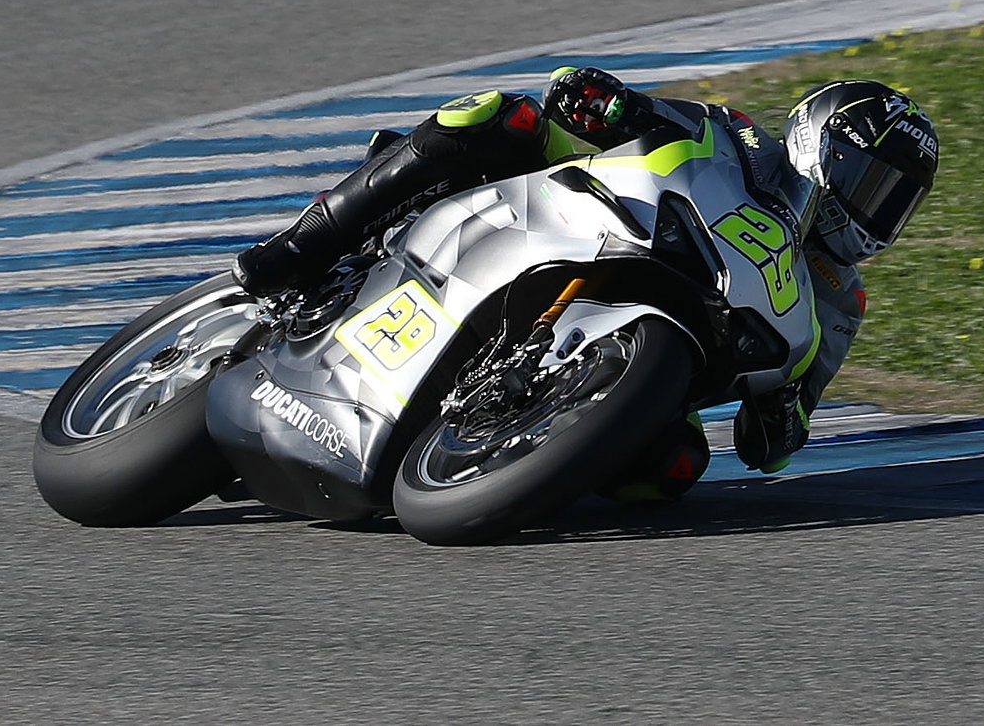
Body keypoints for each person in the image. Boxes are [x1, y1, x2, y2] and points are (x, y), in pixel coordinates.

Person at [233, 66, 939, 496]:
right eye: (869, 183)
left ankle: (503, 460)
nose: (876, 209)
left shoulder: (839, 302)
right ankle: (302, 246)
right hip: (597, 217)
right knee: (499, 117)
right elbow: (645, 115)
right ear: (819, 144)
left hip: (669, 337)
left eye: (895, 199)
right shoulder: (744, 139)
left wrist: (784, 416)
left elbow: (774, 444)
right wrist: (609, 103)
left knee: (676, 468)